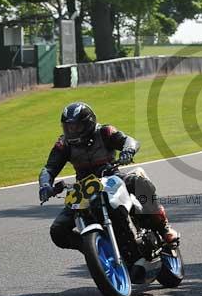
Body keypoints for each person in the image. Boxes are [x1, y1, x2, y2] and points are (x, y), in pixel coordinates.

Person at [38, 102, 178, 253]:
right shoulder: (63, 144)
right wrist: (45, 185)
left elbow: (130, 141)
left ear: (88, 123)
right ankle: (98, 252)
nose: (72, 131)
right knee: (58, 231)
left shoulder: (104, 132)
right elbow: (49, 168)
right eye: (68, 127)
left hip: (111, 176)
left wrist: (128, 151)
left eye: (76, 127)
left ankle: (163, 228)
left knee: (139, 182)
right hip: (84, 189)